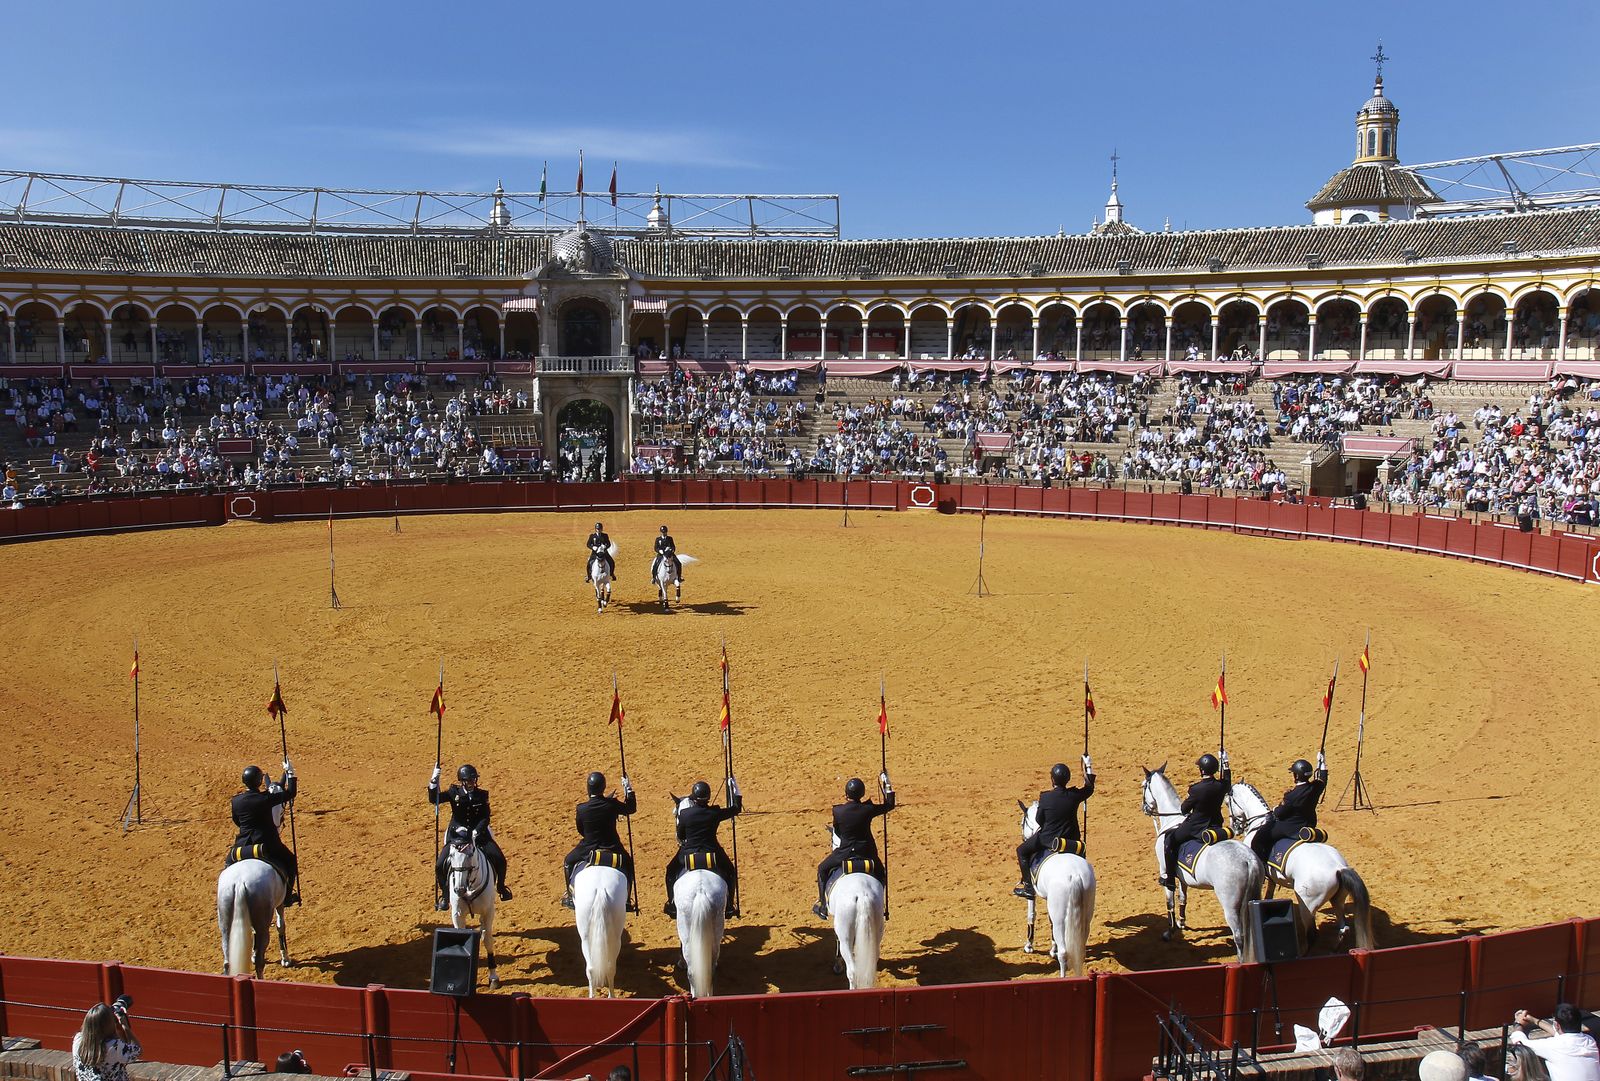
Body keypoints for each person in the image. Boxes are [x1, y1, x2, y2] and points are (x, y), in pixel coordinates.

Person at [813, 773, 895, 919]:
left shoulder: (838, 811)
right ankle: (879, 904)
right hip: (866, 853)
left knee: (822, 869)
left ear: (846, 794)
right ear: (862, 794)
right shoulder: (867, 809)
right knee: (882, 873)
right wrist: (886, 783)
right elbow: (889, 805)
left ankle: (823, 906)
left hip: (844, 853)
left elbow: (837, 831)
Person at [429, 764, 512, 907]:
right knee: (439, 865)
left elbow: (485, 817)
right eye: (469, 781)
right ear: (462, 781)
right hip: (457, 836)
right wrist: (434, 781)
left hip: (479, 835)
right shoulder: (453, 792)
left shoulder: (482, 795)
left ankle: (501, 888)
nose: (472, 783)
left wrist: (477, 831)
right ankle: (445, 895)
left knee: (500, 859)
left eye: (474, 780)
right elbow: (434, 799)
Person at [1013, 756, 1094, 899]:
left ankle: (1028, 887)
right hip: (1071, 841)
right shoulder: (1073, 795)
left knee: (1021, 851)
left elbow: (1039, 820)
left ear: (1052, 780)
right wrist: (1088, 766)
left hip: (1047, 840)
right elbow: (1089, 789)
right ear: (1067, 780)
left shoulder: (1046, 798)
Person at [663, 778, 742, 919]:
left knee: (670, 871)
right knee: (730, 871)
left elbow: (681, 835)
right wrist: (735, 790)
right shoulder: (715, 812)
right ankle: (729, 906)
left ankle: (672, 904)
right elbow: (736, 809)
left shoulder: (685, 814)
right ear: (708, 797)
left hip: (688, 853)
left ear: (693, 797)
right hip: (712, 853)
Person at [561, 771, 637, 909]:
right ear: (603, 787)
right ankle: (626, 901)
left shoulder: (582, 808)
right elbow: (631, 808)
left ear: (588, 788)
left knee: (568, 862)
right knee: (628, 864)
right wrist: (628, 789)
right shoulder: (611, 804)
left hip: (588, 848)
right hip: (612, 847)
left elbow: (581, 830)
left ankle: (570, 897)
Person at [230, 762, 300, 906]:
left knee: (228, 865)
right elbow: (291, 793)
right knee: (291, 860)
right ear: (260, 781)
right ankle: (287, 898)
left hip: (241, 846)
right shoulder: (265, 798)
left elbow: (237, 821)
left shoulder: (236, 801)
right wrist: (290, 773)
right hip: (267, 844)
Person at [1159, 752, 1231, 888]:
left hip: (1195, 828)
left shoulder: (1196, 789)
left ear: (1202, 770)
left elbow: (1184, 809)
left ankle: (1169, 878)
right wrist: (1225, 764)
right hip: (1216, 825)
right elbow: (1227, 782)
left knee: (1169, 839)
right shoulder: (1221, 786)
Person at [1249, 752, 1329, 863]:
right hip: (1310, 824)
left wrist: (1276, 809)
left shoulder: (1292, 795)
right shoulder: (1315, 787)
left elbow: (1279, 814)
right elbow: (1323, 779)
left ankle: (1262, 867)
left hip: (1291, 829)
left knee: (1260, 837)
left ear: (1296, 776)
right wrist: (1322, 762)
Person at [1511, 1005, 1600, 1081]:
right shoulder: (1590, 1041)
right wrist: (1534, 1020)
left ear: (1556, 1025)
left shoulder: (1553, 1046)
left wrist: (1518, 1023)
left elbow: (1520, 1044)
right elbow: (1560, 1034)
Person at [72, 998, 139, 1081]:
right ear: (108, 1025)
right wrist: (125, 1027)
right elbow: (137, 1050)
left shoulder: (77, 1040)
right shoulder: (114, 1046)